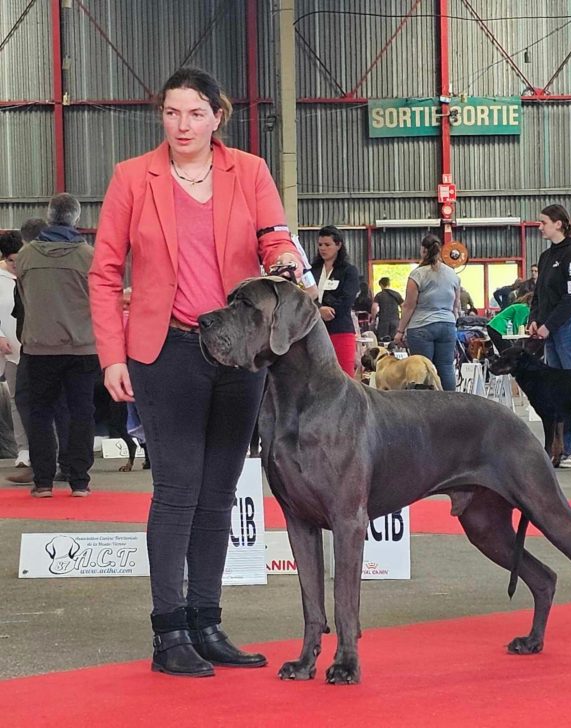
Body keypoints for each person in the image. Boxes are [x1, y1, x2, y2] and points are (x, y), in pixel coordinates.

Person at [89, 67, 309, 678]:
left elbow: (274, 238)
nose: (182, 125)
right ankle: (169, 635)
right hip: (166, 351)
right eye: (171, 113)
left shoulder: (251, 172)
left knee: (219, 492)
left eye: (194, 114)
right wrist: (112, 355)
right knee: (179, 490)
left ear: (218, 117)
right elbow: (106, 273)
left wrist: (286, 259)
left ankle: (206, 623)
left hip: (239, 355)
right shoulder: (133, 178)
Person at [15, 194, 99, 497]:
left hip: (39, 347)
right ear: (75, 219)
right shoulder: (89, 257)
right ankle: (79, 482)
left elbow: (24, 298)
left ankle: (43, 483)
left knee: (40, 413)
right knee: (81, 413)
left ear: (49, 217)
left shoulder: (25, 256)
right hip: (83, 347)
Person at [528, 203, 571, 468]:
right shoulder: (546, 257)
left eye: (543, 222)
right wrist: (535, 320)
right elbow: (539, 296)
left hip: (570, 327)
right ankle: (563, 447)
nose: (539, 226)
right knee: (557, 393)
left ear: (559, 224)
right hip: (551, 330)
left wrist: (549, 325)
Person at [393, 234, 460, 390]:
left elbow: (409, 305)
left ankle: (425, 410)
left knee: (421, 370)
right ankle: (451, 406)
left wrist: (400, 331)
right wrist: (452, 324)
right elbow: (456, 306)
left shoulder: (417, 274)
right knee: (446, 367)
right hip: (447, 325)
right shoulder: (452, 274)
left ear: (423, 250)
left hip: (422, 326)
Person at [311, 225, 360, 376]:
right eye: (320, 245)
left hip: (340, 329)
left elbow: (347, 299)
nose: (323, 249)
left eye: (327, 245)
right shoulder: (312, 271)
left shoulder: (348, 271)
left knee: (344, 375)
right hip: (314, 329)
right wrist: (319, 309)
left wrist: (329, 309)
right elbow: (305, 295)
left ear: (338, 245)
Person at [0, 232, 27, 466]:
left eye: (20, 259)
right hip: (10, 352)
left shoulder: (30, 275)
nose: (15, 265)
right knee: (16, 402)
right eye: (11, 261)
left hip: (34, 348)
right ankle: (23, 451)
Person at [372, 276, 403, 341]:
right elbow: (403, 306)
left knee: (383, 341)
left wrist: (373, 319)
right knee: (394, 341)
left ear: (380, 285)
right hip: (395, 321)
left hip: (383, 322)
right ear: (389, 284)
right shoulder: (396, 294)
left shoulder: (379, 295)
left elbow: (374, 308)